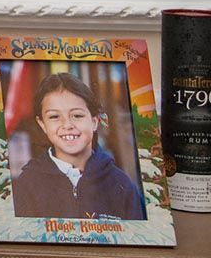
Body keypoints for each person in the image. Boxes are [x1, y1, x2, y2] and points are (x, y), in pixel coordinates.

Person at [12, 73, 146, 220]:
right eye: (54, 117)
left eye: (77, 115)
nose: (67, 125)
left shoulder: (122, 185)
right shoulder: (27, 184)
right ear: (42, 124)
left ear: (95, 121)